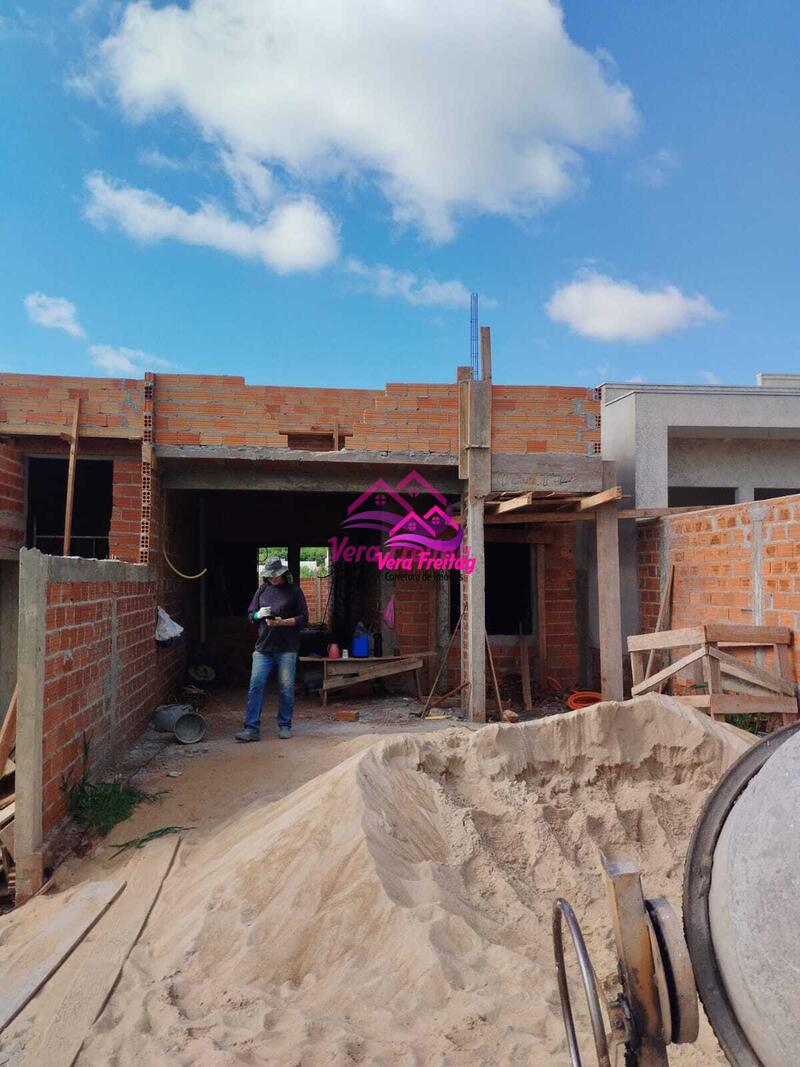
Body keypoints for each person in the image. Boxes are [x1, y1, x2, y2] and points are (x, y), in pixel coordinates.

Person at [235, 557, 309, 742]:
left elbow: (303, 618)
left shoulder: (294, 591)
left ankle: (285, 725)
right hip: (263, 648)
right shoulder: (262, 590)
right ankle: (251, 729)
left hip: (287, 647)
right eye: (269, 576)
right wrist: (259, 614)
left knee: (286, 688)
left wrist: (283, 622)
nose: (272, 579)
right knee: (256, 686)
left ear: (283, 573)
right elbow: (250, 615)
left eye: (275, 575)